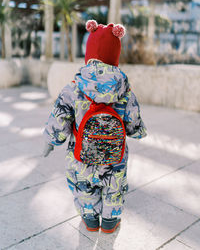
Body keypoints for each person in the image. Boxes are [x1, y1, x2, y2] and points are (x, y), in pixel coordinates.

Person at [43, 20, 147, 233]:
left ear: (88, 54)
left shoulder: (72, 88)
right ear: (115, 56)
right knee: (113, 186)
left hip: (81, 155)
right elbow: (133, 123)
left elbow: (59, 119)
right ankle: (110, 221)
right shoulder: (125, 91)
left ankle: (90, 219)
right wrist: (138, 132)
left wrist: (51, 141)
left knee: (83, 186)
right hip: (115, 156)